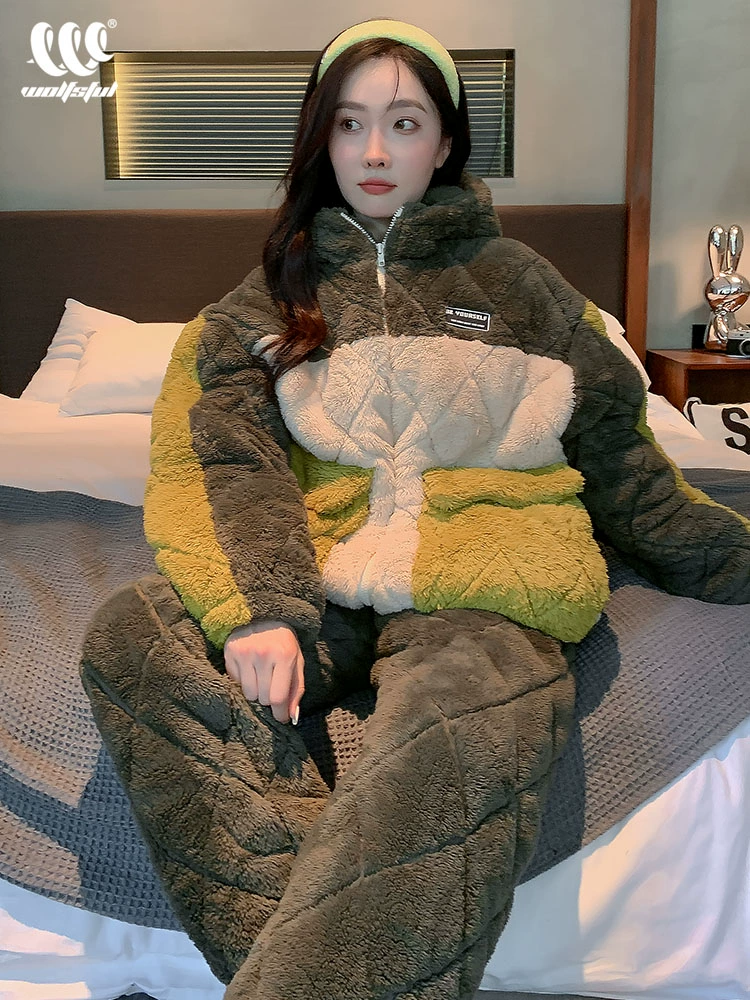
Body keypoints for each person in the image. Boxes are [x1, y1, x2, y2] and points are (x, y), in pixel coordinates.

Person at [81, 18, 750, 1000]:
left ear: (444, 143)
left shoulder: (525, 288)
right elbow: (218, 464)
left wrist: (730, 558)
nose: (375, 150)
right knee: (130, 632)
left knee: (452, 734)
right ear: (323, 139)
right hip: (324, 579)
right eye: (350, 123)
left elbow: (627, 464)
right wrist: (260, 611)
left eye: (404, 122)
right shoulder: (263, 302)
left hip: (488, 585)